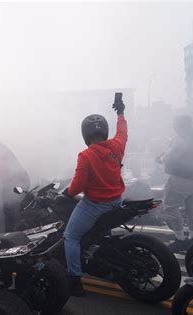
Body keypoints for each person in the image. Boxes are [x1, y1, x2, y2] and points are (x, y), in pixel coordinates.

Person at [63, 96, 127, 297]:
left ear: (85, 134)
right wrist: (120, 113)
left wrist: (66, 193)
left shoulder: (86, 155)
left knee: (71, 236)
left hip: (96, 204)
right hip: (117, 201)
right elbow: (123, 132)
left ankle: (75, 279)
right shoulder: (116, 146)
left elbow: (77, 186)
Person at [158, 115, 193, 252]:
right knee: (192, 208)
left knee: (170, 207)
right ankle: (192, 237)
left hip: (180, 179)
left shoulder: (182, 139)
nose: (174, 127)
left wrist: (160, 158)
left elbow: (170, 157)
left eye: (175, 124)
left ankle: (180, 239)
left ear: (180, 125)